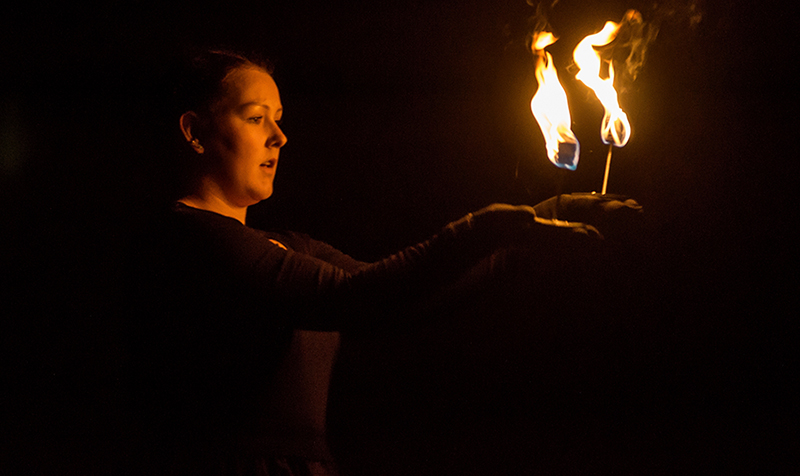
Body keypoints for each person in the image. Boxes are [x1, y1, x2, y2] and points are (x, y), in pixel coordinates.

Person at [127, 49, 639, 476]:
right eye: (256, 118)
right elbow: (353, 300)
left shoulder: (286, 244)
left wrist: (537, 226)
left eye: (278, 121)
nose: (279, 138)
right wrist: (483, 230)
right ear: (194, 132)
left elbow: (400, 298)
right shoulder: (189, 240)